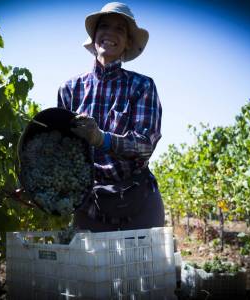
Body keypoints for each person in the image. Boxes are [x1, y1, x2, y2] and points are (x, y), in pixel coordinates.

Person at [57, 2, 164, 232]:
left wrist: (101, 139)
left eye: (120, 30)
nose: (110, 33)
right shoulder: (70, 89)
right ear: (95, 36)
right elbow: (62, 149)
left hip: (138, 200)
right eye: (104, 26)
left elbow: (145, 145)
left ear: (127, 43)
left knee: (141, 267)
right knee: (92, 267)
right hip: (90, 205)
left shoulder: (142, 86)